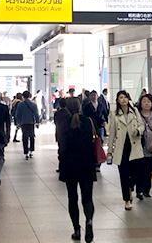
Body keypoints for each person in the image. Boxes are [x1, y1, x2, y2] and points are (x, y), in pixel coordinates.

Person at [58, 97, 96, 242]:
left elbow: (62, 147)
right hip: (86, 165)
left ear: (66, 108)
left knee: (72, 197)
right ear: (80, 106)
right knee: (87, 197)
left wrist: (62, 162)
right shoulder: (88, 122)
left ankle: (76, 230)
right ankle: (89, 222)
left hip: (70, 166)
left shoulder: (64, 123)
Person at [107, 90, 144, 210]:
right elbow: (112, 132)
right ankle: (127, 200)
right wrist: (110, 150)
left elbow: (141, 124)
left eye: (125, 97)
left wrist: (138, 131)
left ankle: (130, 187)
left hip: (134, 145)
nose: (123, 100)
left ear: (128, 99)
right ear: (117, 100)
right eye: (120, 98)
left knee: (138, 172)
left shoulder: (134, 111)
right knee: (123, 174)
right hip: (121, 148)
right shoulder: (114, 114)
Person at [136, 93, 152, 199]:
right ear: (140, 103)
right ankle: (139, 190)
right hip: (139, 147)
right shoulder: (137, 115)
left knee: (149, 170)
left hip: (151, 147)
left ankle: (147, 190)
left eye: (148, 102)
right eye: (144, 101)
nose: (146, 103)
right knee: (140, 169)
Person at [83, 90, 108, 172]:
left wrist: (105, 121)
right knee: (92, 144)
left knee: (99, 143)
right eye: (92, 95)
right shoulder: (87, 106)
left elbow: (105, 113)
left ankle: (98, 163)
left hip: (100, 127)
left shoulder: (100, 105)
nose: (94, 97)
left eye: (95, 95)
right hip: (91, 127)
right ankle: (93, 162)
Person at [14, 90, 40, 159]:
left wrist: (18, 122)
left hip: (23, 123)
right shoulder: (33, 104)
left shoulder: (20, 104)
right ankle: (31, 151)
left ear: (23, 96)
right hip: (31, 122)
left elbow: (17, 114)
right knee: (32, 136)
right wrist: (37, 122)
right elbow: (36, 114)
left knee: (24, 137)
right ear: (29, 96)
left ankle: (26, 152)